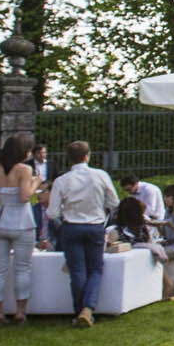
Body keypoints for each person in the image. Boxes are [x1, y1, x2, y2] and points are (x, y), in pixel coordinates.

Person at [45, 140, 117, 328]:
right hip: (94, 225)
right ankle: (88, 308)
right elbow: (114, 201)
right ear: (88, 156)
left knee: (77, 270)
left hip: (71, 226)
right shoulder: (100, 175)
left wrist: (64, 212)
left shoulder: (62, 180)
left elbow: (51, 213)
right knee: (95, 269)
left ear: (69, 158)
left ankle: (79, 311)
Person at [0, 135, 39, 325]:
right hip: (21, 222)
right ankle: (20, 311)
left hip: (0, 221)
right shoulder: (25, 170)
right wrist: (36, 183)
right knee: (22, 268)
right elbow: (25, 196)